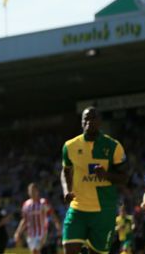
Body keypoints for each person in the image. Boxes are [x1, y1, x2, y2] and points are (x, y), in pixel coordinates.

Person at [60, 106, 129, 254]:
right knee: (69, 248)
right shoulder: (69, 146)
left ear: (100, 122)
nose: (89, 122)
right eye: (86, 119)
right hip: (78, 208)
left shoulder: (113, 146)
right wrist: (67, 190)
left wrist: (107, 175)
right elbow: (65, 170)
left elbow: (124, 178)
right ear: (81, 122)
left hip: (104, 210)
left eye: (93, 119)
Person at [14, 183, 62, 254]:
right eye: (30, 191)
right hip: (30, 234)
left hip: (42, 233)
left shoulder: (43, 203)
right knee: (35, 252)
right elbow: (24, 220)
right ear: (28, 192)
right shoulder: (26, 205)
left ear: (37, 191)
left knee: (36, 250)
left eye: (34, 190)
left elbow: (52, 214)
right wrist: (18, 232)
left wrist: (58, 226)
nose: (32, 192)